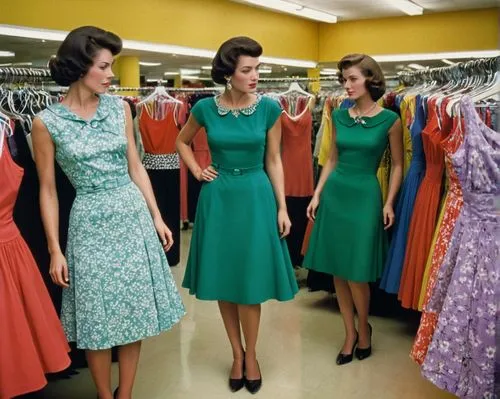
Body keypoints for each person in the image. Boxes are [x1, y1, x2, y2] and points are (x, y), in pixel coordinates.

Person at [32, 26, 185, 399]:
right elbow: (48, 190)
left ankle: (126, 393)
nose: (112, 74)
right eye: (105, 66)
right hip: (88, 222)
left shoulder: (121, 109)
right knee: (96, 316)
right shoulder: (45, 122)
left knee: (132, 314)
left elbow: (136, 166)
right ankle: (104, 395)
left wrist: (156, 215)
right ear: (81, 67)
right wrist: (55, 248)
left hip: (130, 214)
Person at [176, 36, 298, 394]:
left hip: (256, 197)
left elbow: (273, 160)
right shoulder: (204, 108)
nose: (255, 75)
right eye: (247, 70)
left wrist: (282, 206)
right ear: (228, 74)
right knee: (224, 281)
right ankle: (236, 353)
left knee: (249, 285)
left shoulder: (269, 109)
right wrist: (199, 171)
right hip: (218, 198)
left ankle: (253, 355)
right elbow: (181, 141)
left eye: (258, 68)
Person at [303, 54, 403, 365]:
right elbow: (331, 159)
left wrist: (388, 202)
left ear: (370, 79)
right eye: (344, 79)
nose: (346, 85)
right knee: (338, 270)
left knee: (357, 272)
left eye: (353, 79)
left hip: (365, 196)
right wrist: (317, 194)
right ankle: (349, 333)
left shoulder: (390, 120)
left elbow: (399, 164)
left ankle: (364, 328)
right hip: (335, 195)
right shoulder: (340, 115)